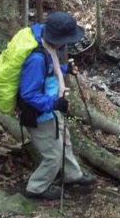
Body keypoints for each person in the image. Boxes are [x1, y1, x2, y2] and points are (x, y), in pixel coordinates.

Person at [19, 11, 96, 200]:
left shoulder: (48, 50)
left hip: (51, 109)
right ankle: (36, 188)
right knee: (53, 155)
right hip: (39, 115)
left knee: (64, 141)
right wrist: (54, 103)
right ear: (57, 38)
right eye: (67, 39)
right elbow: (28, 93)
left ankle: (72, 176)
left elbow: (49, 72)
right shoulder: (36, 58)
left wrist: (65, 69)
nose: (68, 43)